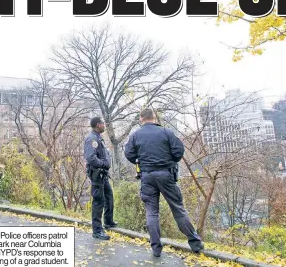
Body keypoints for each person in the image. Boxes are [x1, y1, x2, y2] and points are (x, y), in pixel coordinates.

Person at [124, 109, 203, 257]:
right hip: (166, 175)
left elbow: (128, 154)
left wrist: (140, 161)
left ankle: (156, 249)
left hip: (147, 177)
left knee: (152, 213)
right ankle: (195, 244)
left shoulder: (135, 136)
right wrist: (169, 162)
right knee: (178, 209)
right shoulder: (167, 132)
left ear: (141, 119)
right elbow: (179, 151)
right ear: (154, 118)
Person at [84, 116, 117, 240]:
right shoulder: (91, 139)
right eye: (103, 123)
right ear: (98, 124)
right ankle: (97, 231)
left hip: (103, 174)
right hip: (97, 175)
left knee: (109, 197)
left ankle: (108, 222)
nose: (104, 125)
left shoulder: (98, 138)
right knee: (98, 201)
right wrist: (104, 164)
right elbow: (91, 158)